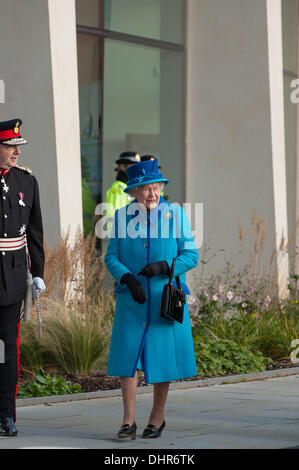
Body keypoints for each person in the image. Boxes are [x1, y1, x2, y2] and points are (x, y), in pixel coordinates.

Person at [104, 159, 198, 439]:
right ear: (133, 192)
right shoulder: (122, 217)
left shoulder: (176, 214)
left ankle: (157, 418)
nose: (153, 194)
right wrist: (127, 278)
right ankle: (128, 421)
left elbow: (190, 256)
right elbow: (111, 257)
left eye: (156, 187)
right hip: (132, 299)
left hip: (163, 299)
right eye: (146, 189)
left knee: (162, 357)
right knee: (127, 359)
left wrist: (164, 266)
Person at [0, 118, 45, 436]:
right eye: (9, 146)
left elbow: (35, 231)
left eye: (17, 146)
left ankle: (5, 415)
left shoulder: (26, 182)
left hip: (12, 279)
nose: (16, 151)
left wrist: (39, 273)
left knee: (7, 350)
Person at [94, 151, 140, 246]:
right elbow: (113, 221)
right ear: (123, 167)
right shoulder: (118, 190)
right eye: (135, 167)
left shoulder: (129, 189)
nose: (138, 171)